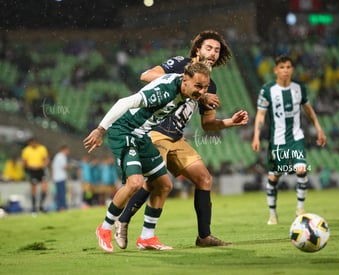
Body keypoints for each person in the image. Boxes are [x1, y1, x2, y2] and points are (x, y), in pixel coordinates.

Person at [114, 30, 248, 249]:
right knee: (155, 180)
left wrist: (230, 122)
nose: (213, 53)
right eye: (209, 48)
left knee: (204, 179)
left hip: (176, 137)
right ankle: (124, 220)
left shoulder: (210, 85)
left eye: (217, 50)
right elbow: (146, 75)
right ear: (197, 49)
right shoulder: (180, 64)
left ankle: (204, 237)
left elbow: (207, 125)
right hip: (155, 130)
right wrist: (184, 83)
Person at [83, 62, 211, 253]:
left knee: (164, 185)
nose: (201, 92)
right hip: (124, 132)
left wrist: (204, 95)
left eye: (205, 87)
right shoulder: (164, 91)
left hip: (142, 135)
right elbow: (124, 102)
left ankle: (146, 237)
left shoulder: (185, 90)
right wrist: (101, 130)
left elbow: (194, 92)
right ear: (185, 81)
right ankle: (105, 228)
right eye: (198, 87)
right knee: (134, 183)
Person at [251, 54, 326, 225]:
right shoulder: (267, 89)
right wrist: (256, 135)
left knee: (301, 169)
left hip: (296, 138)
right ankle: (272, 215)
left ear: (292, 69)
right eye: (282, 67)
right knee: (273, 178)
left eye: (288, 67)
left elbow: (308, 110)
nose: (285, 71)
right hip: (277, 141)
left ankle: (300, 209)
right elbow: (261, 115)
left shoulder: (299, 88)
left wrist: (319, 128)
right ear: (275, 70)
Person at [21, 137, 50, 214]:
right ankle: (34, 208)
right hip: (32, 171)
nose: (33, 144)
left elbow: (46, 159)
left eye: (34, 142)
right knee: (34, 190)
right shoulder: (26, 150)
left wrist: (42, 165)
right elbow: (24, 162)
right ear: (29, 143)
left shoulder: (42, 148)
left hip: (41, 170)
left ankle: (41, 206)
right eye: (31, 143)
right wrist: (29, 167)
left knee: (45, 189)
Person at [51, 145, 70, 211]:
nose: (68, 152)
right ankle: (62, 207)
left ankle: (59, 207)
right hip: (60, 177)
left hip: (57, 177)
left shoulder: (57, 156)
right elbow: (64, 167)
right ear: (64, 150)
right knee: (62, 193)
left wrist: (53, 177)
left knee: (59, 193)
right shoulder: (61, 156)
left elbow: (53, 167)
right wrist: (70, 167)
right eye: (67, 150)